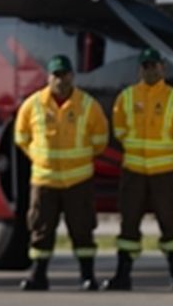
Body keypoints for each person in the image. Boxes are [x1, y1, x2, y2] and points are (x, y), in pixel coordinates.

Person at [15, 55, 109, 291]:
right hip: (45, 180)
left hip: (78, 180)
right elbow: (21, 137)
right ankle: (38, 276)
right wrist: (39, 157)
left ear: (72, 76)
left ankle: (87, 276)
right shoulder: (33, 105)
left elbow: (100, 140)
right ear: (48, 77)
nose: (60, 80)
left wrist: (80, 159)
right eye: (56, 75)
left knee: (82, 229)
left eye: (65, 74)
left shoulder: (87, 105)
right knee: (41, 229)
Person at [104, 48, 173, 292]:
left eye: (154, 65)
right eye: (145, 66)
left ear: (163, 67)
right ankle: (122, 275)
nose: (150, 69)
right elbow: (119, 131)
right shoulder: (127, 98)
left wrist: (160, 152)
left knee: (169, 223)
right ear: (139, 69)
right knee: (129, 224)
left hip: (164, 172)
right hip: (134, 172)